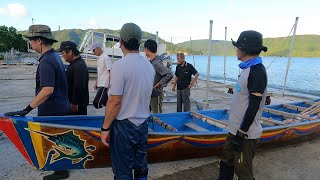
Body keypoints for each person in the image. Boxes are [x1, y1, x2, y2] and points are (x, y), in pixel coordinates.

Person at [4, 24, 70, 179]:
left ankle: (61, 172)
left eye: (31, 40)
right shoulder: (55, 57)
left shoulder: (47, 61)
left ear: (39, 41)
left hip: (52, 110)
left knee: (53, 141)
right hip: (60, 107)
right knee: (59, 140)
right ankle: (62, 170)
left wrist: (27, 109)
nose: (31, 44)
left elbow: (47, 90)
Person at [100, 23, 155, 180]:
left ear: (121, 41)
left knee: (122, 171)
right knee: (141, 168)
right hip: (142, 124)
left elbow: (115, 102)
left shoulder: (120, 66)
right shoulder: (149, 66)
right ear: (139, 42)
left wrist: (105, 128)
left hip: (124, 126)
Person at [217, 30, 268, 180]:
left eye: (237, 47)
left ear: (244, 49)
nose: (236, 50)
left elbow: (253, 106)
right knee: (226, 161)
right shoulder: (246, 68)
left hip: (246, 133)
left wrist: (242, 133)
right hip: (234, 129)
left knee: (243, 171)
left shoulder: (257, 71)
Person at [59, 41, 89, 115]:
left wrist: (74, 103)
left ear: (70, 52)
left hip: (77, 105)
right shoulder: (74, 64)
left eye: (63, 53)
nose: (62, 55)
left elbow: (78, 86)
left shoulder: (79, 66)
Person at [144, 39, 173, 113]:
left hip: (156, 95)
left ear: (147, 49)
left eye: (144, 49)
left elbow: (169, 74)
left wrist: (160, 84)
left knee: (157, 116)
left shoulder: (157, 63)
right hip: (151, 94)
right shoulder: (152, 62)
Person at [90, 42, 112, 109]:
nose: (93, 52)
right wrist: (96, 83)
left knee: (96, 103)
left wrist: (109, 84)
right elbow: (100, 73)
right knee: (106, 102)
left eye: (93, 50)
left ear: (97, 49)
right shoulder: (99, 58)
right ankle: (111, 112)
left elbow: (110, 71)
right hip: (100, 83)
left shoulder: (106, 57)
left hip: (104, 84)